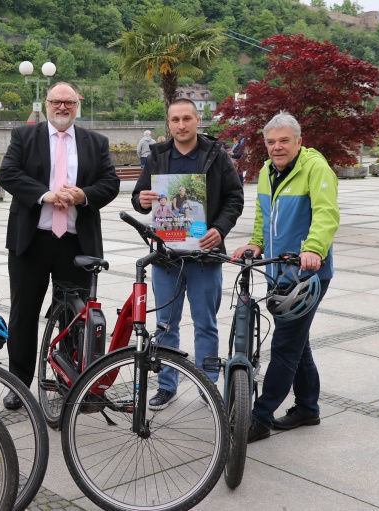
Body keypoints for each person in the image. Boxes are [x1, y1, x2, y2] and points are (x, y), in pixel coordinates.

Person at [0, 82, 120, 409]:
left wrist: (83, 195)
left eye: (69, 102)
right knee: (23, 316)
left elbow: (110, 183)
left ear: (78, 105)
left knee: (74, 318)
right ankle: (18, 384)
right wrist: (46, 195)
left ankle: (67, 381)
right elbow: (8, 174)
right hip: (32, 242)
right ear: (46, 103)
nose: (62, 107)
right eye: (56, 101)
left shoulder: (96, 142)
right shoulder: (24, 136)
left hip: (76, 244)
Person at [232, 111, 339, 443]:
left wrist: (314, 249)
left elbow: (326, 214)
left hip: (307, 274)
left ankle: (260, 418)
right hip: (277, 271)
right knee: (297, 342)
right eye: (271, 142)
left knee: (284, 346)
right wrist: (256, 243)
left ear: (299, 141)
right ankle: (307, 408)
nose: (276, 147)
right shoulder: (268, 170)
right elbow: (264, 214)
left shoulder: (316, 168)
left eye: (284, 141)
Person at [132, 98, 244, 410]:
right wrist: (142, 200)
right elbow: (139, 197)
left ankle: (208, 385)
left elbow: (235, 198)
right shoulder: (157, 156)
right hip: (166, 256)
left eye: (186, 119)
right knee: (165, 324)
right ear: (168, 124)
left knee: (205, 323)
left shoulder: (216, 154)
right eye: (175, 120)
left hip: (205, 255)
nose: (181, 125)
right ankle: (166, 385)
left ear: (197, 120)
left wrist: (220, 229)